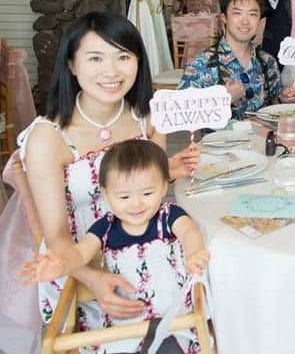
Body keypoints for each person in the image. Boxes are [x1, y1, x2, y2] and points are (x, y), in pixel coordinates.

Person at [11, 12, 198, 343]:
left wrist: (167, 171)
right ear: (72, 64)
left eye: (123, 57)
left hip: (148, 249)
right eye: (95, 58)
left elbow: (142, 191)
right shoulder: (48, 137)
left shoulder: (147, 118)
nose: (111, 72)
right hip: (81, 263)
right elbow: (56, 235)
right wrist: (94, 279)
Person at [22, 140, 209, 354]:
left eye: (147, 194)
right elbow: (80, 254)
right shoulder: (106, 227)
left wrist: (194, 253)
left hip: (172, 322)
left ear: (164, 187)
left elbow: (189, 231)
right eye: (124, 197)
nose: (136, 204)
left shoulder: (168, 215)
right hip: (125, 328)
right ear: (106, 194)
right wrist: (61, 265)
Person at [179, 0, 295, 119]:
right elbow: (180, 116)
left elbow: (275, 107)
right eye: (237, 13)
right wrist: (223, 99)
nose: (245, 21)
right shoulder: (202, 64)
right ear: (224, 18)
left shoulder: (267, 62)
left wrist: (284, 98)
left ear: (260, 20)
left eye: (252, 14)